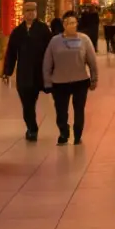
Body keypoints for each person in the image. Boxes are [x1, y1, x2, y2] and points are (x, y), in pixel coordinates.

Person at [43, 11, 99, 145]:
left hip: (80, 80)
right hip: (60, 82)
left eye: (74, 23)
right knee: (61, 110)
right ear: (64, 25)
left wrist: (94, 78)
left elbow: (92, 61)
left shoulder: (84, 39)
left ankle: (78, 133)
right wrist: (47, 82)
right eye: (69, 23)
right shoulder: (55, 41)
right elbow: (47, 62)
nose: (72, 26)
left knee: (79, 109)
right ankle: (64, 132)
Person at [1, 2, 53, 141]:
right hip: (24, 73)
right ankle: (31, 128)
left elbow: (51, 50)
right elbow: (11, 53)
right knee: (27, 103)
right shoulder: (18, 32)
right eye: (27, 11)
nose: (30, 13)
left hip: (40, 72)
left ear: (36, 12)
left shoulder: (43, 30)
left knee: (38, 100)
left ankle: (59, 128)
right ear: (23, 13)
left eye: (32, 10)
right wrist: (7, 71)